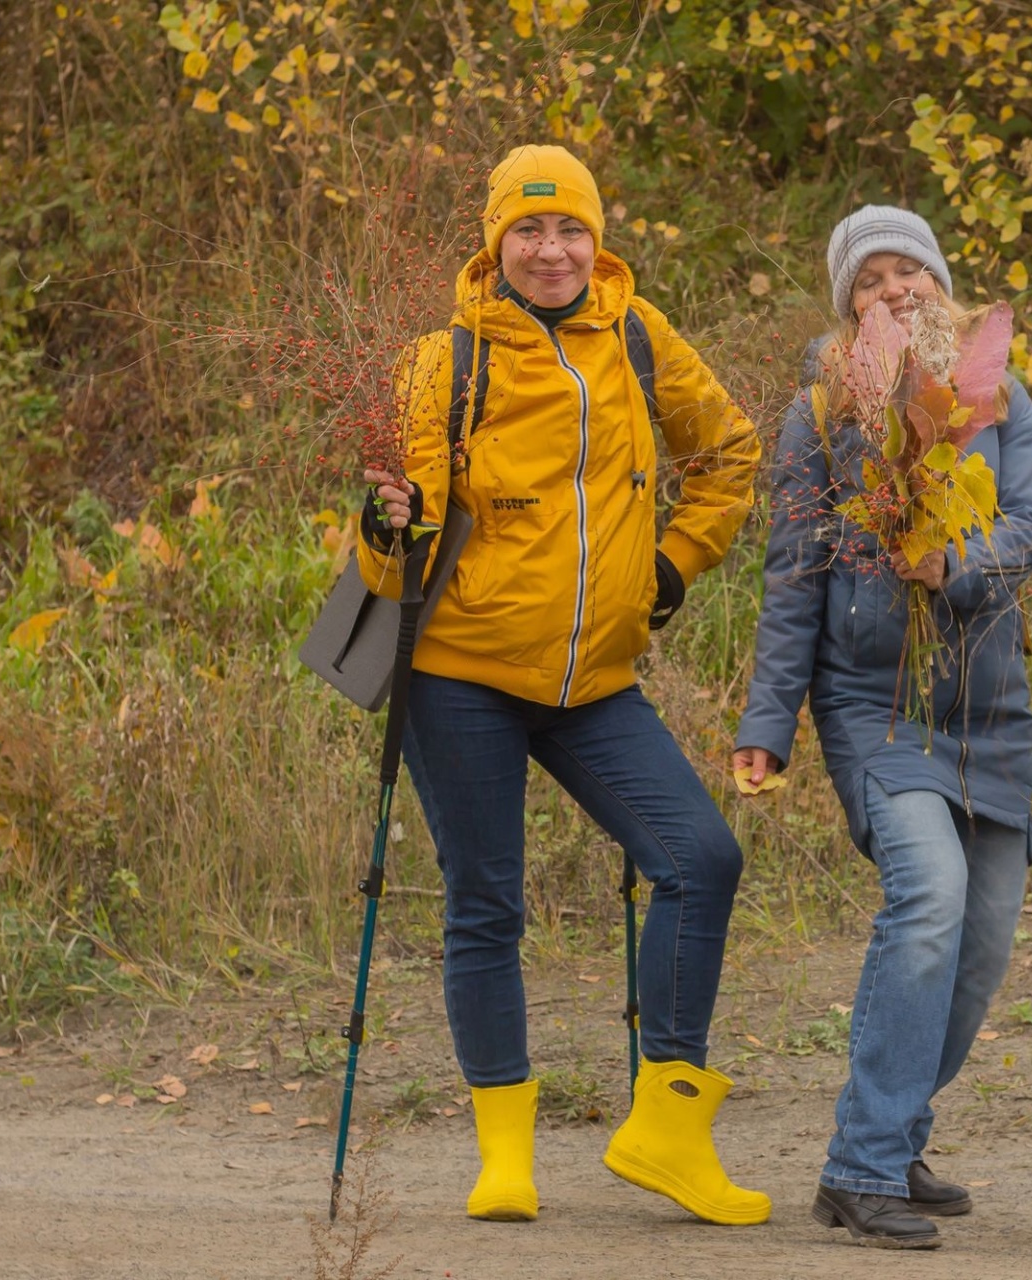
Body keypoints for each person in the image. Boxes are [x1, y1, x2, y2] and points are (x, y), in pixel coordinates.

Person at [358, 144, 767, 1227]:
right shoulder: (441, 360)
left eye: (570, 229)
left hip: (595, 679)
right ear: (495, 243)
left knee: (701, 856)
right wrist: (382, 526)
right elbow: (395, 560)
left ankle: (667, 1128)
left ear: (598, 237)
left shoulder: (637, 335)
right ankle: (505, 1156)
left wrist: (667, 570)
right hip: (462, 674)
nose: (552, 250)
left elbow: (729, 452)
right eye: (528, 231)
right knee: (487, 903)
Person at [732, 206, 1032, 1249]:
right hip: (874, 707)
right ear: (849, 306)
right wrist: (767, 722)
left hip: (988, 707)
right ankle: (861, 1165)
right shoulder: (820, 415)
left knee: (984, 943)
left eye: (909, 271)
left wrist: (952, 565)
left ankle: (898, 1124)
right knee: (930, 900)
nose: (895, 290)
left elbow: (1030, 523)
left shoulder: (997, 399)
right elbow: (792, 578)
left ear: (940, 285)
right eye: (870, 280)